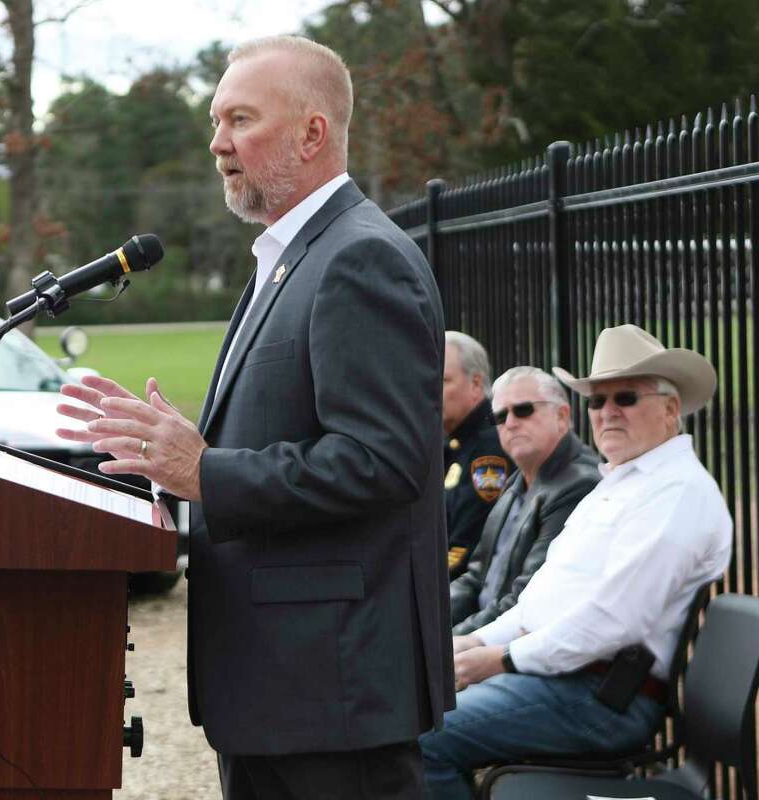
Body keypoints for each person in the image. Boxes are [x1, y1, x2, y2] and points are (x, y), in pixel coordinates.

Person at [56, 34, 453, 800]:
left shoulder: (358, 258)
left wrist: (205, 471)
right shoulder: (289, 257)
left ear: (312, 132)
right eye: (215, 121)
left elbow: (384, 461)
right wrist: (178, 456)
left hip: (333, 698)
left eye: (240, 119)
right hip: (281, 689)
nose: (217, 144)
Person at [420, 324, 733, 800]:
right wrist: (473, 642)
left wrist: (497, 659)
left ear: (671, 409)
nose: (606, 412)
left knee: (423, 741)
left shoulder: (677, 494)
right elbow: (538, 598)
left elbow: (611, 620)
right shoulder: (622, 483)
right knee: (413, 713)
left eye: (625, 397)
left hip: (601, 698)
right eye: (597, 401)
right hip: (565, 679)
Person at [450, 366, 600, 635]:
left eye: (523, 410)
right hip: (487, 635)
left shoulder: (578, 485)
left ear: (562, 416)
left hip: (517, 647)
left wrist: (450, 643)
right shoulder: (516, 480)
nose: (510, 422)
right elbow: (476, 579)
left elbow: (526, 598)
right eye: (499, 415)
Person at [442, 332, 512, 577]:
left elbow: (465, 547)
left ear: (475, 384)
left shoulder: (490, 448)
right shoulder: (452, 443)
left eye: (443, 381)